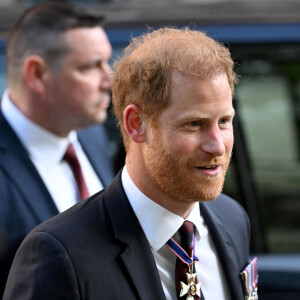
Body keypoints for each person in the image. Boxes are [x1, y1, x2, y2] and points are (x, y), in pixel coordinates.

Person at [3, 27, 252, 300]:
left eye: (224, 121)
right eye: (194, 124)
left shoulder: (232, 219)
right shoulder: (61, 254)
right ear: (137, 124)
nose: (217, 145)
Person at [0, 2, 115, 296]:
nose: (109, 80)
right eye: (90, 66)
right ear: (37, 74)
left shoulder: (91, 135)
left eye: (107, 62)